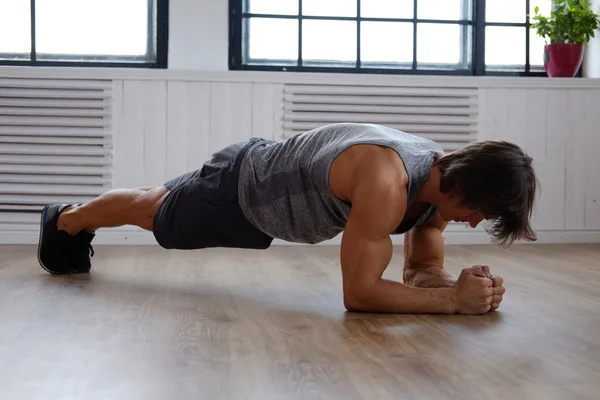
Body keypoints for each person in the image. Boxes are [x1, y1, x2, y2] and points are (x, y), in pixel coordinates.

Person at [37, 123, 537, 315]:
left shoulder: (435, 185)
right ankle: (67, 221)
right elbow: (358, 294)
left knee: (154, 201)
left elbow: (421, 267)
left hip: (262, 177)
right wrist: (451, 303)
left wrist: (455, 283)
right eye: (478, 211)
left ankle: (72, 219)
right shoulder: (389, 181)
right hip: (244, 190)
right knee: (155, 213)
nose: (473, 223)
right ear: (463, 186)